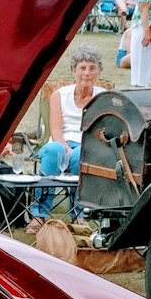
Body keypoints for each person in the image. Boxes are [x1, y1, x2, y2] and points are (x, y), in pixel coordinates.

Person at [30, 46, 105, 222]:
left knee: (82, 154)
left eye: (92, 68)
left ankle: (79, 213)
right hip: (59, 142)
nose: (87, 73)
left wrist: (79, 150)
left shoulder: (104, 97)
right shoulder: (59, 95)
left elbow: (102, 131)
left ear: (99, 72)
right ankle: (39, 214)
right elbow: (55, 130)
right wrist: (65, 148)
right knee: (54, 151)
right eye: (82, 68)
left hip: (88, 144)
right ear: (74, 71)